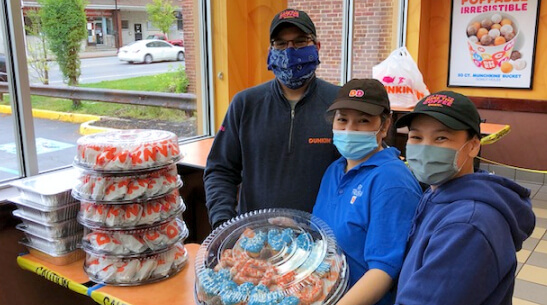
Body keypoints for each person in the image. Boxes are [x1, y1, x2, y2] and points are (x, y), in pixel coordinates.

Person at [394, 91, 536, 305]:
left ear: (473, 145)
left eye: (441, 137)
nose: (424, 147)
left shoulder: (467, 225)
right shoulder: (438, 192)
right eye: (416, 137)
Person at [204, 9, 340, 229]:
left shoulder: (339, 105)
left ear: (317, 47)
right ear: (270, 51)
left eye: (300, 42)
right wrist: (224, 225)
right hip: (255, 241)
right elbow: (220, 170)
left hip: (320, 239)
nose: (290, 51)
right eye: (280, 44)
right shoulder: (245, 103)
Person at [312, 79, 422, 305]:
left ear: (385, 125)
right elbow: (321, 236)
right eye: (342, 120)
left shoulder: (392, 182)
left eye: (363, 121)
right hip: (323, 294)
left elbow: (383, 271)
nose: (349, 130)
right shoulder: (334, 170)